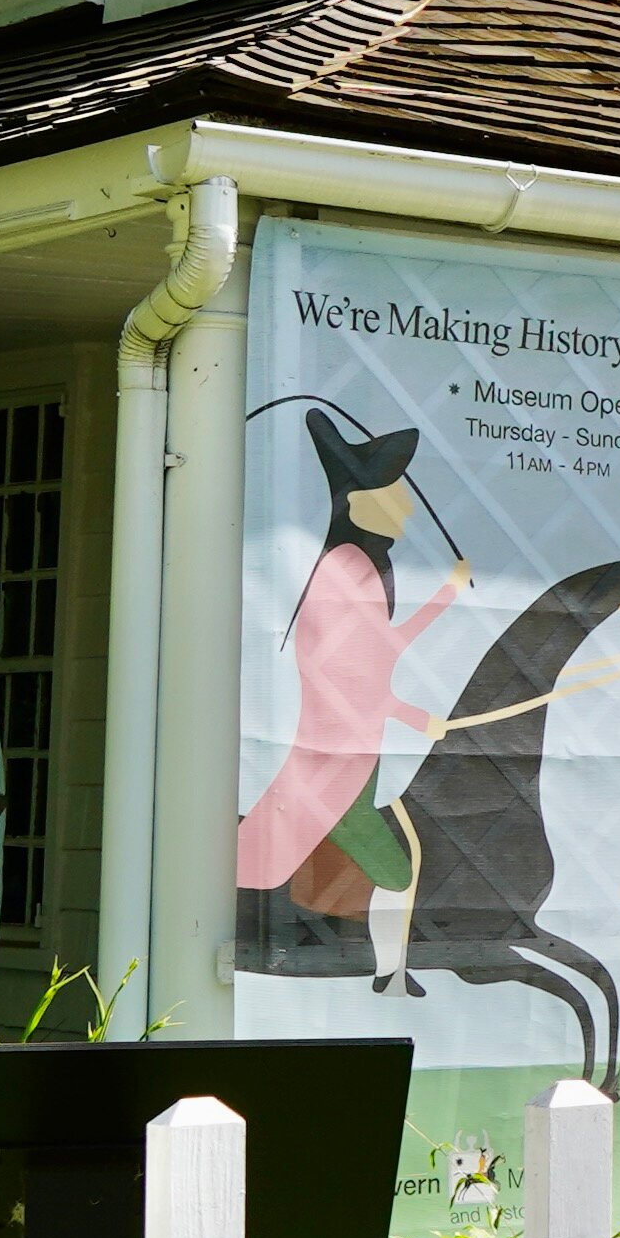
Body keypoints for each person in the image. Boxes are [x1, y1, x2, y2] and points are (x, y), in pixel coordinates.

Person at [235, 404, 483, 990]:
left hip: (354, 750)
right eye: (394, 493)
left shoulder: (361, 565)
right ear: (360, 502)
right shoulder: (348, 568)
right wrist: (446, 596)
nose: (406, 505)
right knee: (397, 870)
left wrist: (410, 715)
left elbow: (370, 666)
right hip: (338, 758)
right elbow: (368, 662)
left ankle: (384, 969)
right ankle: (390, 975)